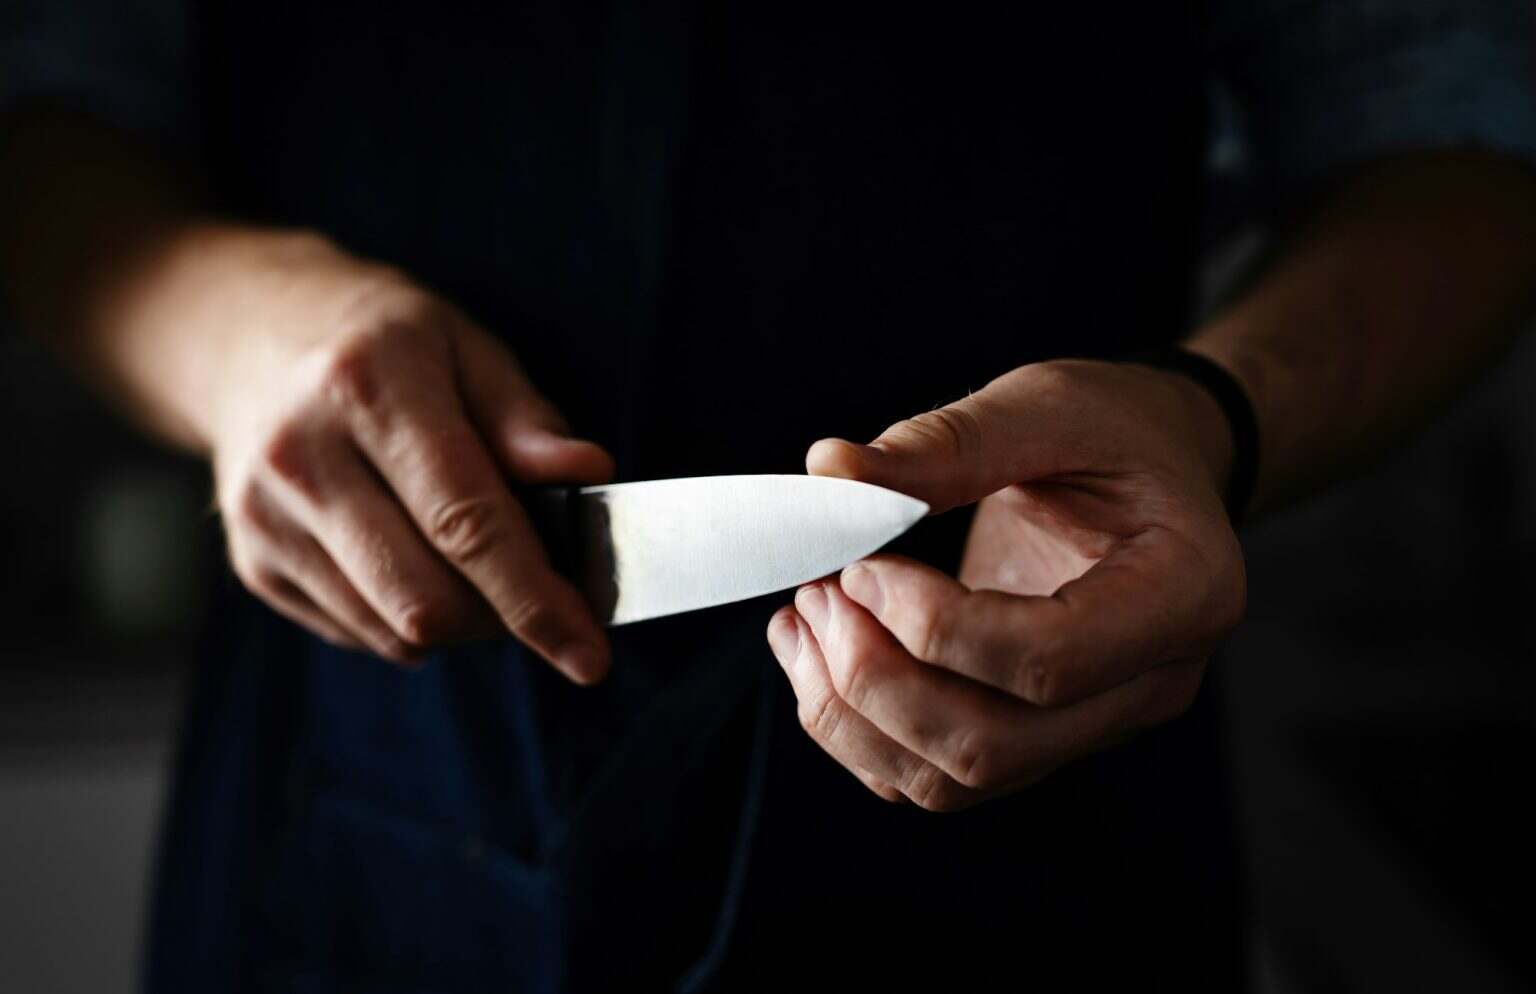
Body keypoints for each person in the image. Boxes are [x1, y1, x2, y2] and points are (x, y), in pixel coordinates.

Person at [3, 1, 1535, 990]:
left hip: (1046, 841)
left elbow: (1456, 134)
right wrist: (232, 327)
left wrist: (1214, 420)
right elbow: (46, 96)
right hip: (354, 817)